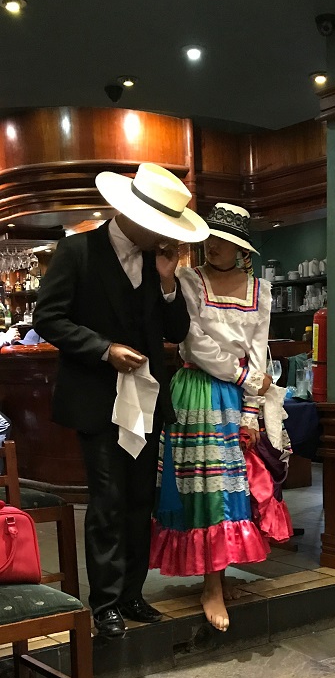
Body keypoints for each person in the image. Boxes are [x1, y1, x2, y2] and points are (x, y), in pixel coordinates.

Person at [33, 163, 209, 639]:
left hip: (146, 400)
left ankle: (133, 593)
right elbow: (48, 318)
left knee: (139, 500)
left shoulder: (158, 262)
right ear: (130, 214)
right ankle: (106, 603)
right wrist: (103, 349)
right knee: (108, 500)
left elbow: (177, 331)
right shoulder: (77, 251)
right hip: (96, 399)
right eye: (159, 225)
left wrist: (169, 282)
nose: (164, 236)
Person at [150, 202, 292, 631]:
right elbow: (193, 343)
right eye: (210, 237)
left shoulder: (260, 290)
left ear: (241, 249)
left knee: (235, 491)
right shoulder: (189, 280)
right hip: (198, 390)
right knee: (205, 489)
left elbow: (258, 349)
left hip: (238, 397)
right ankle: (210, 585)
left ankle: (219, 574)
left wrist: (251, 411)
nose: (214, 245)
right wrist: (247, 378)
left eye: (224, 241)